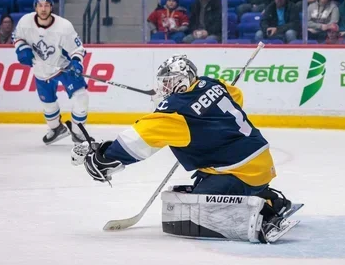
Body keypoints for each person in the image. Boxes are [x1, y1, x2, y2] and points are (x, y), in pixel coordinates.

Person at [72, 54, 301, 243]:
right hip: (259, 161)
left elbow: (138, 138)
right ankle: (268, 197)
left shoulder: (177, 110)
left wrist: (104, 158)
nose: (165, 87)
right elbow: (236, 97)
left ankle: (267, 211)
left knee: (197, 210)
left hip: (239, 170)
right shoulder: (212, 83)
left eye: (169, 81)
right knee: (201, 184)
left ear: (184, 78)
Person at [13, 0, 90, 145]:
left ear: (51, 7)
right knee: (47, 103)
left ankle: (77, 132)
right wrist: (22, 49)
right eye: (40, 5)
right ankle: (56, 129)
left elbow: (77, 49)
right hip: (40, 70)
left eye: (46, 5)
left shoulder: (63, 26)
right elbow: (18, 37)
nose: (43, 9)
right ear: (35, 6)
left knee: (81, 97)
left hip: (63, 67)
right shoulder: (25, 22)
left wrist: (75, 63)